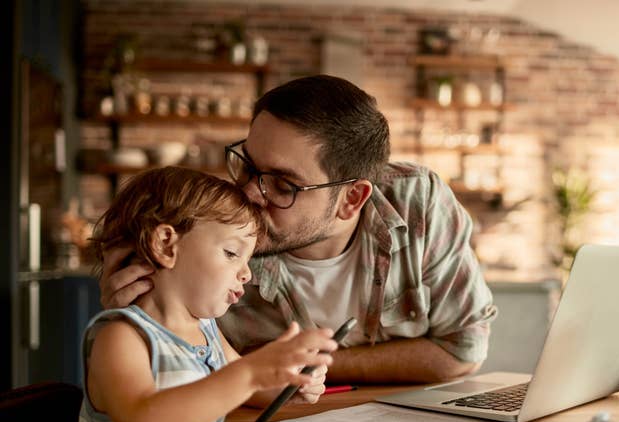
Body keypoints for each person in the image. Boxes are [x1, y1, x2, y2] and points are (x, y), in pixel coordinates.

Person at [99, 75, 497, 385]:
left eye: (284, 185)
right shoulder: (206, 230)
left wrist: (298, 367)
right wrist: (142, 325)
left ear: (352, 199)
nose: (251, 193)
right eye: (249, 167)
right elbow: (183, 372)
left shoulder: (417, 202)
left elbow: (463, 350)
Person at [65, 167, 337, 422]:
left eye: (247, 260)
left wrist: (290, 378)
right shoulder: (121, 336)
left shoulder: (206, 330)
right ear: (166, 245)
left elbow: (247, 388)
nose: (246, 274)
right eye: (230, 253)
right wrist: (251, 370)